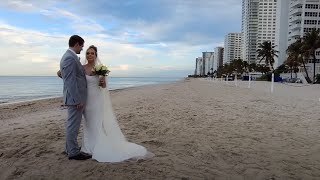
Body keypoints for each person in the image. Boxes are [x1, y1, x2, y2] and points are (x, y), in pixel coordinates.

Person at [58, 45, 153, 162]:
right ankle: (87, 146)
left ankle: (96, 146)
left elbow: (103, 86)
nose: (89, 55)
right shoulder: (81, 67)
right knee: (88, 123)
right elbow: (63, 73)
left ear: (96, 55)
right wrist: (65, 77)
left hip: (97, 100)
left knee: (96, 122)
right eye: (88, 53)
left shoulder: (100, 68)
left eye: (92, 53)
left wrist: (102, 81)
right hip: (85, 100)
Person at [59, 35, 91, 160]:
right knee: (73, 126)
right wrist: (77, 99)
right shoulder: (69, 58)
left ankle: (70, 148)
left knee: (72, 125)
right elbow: (70, 81)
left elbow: (71, 77)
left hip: (75, 98)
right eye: (82, 46)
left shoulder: (70, 57)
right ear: (77, 44)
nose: (82, 49)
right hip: (75, 99)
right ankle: (73, 152)